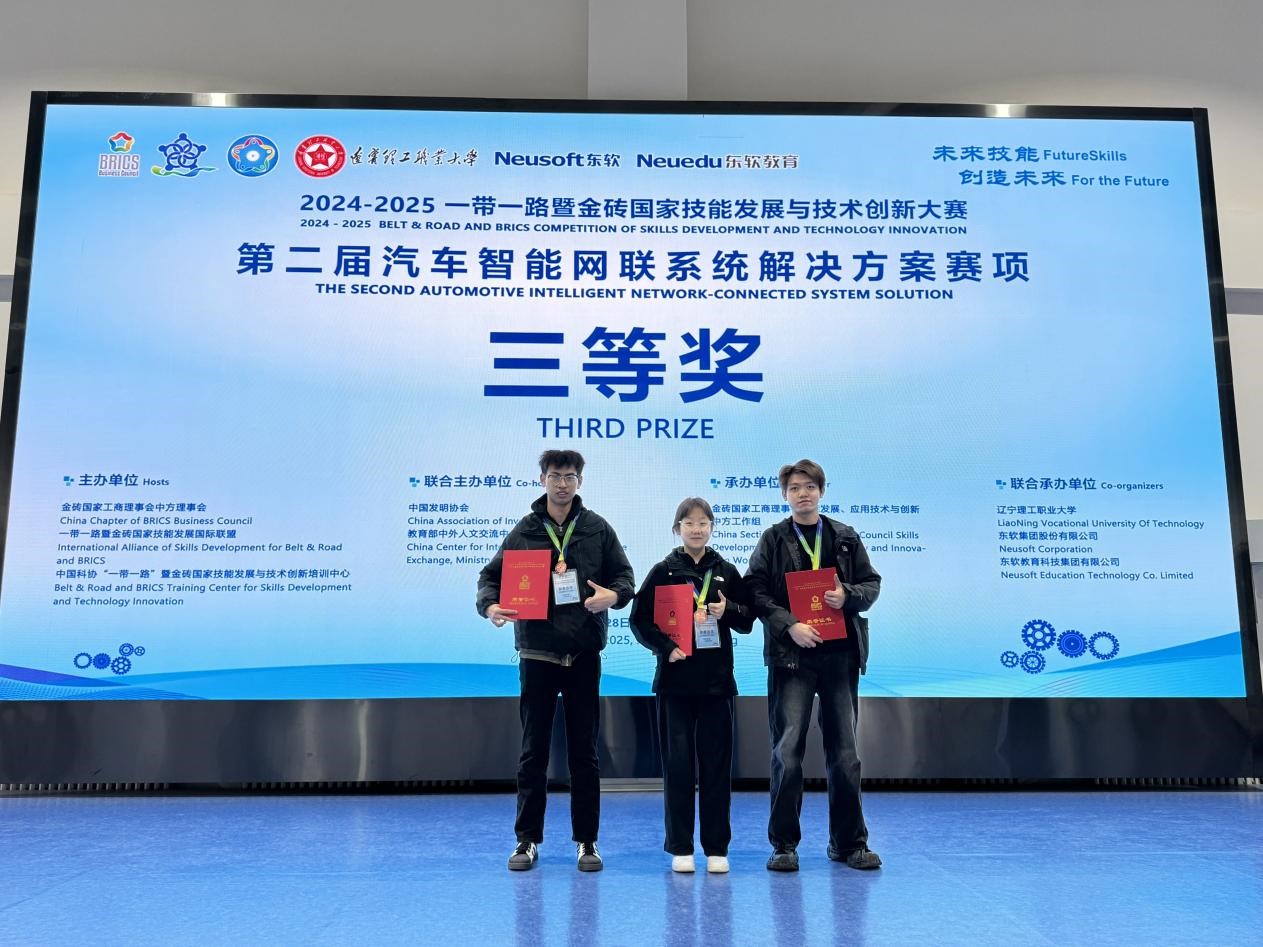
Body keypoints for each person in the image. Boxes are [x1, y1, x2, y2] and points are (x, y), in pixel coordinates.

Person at [477, 449, 635, 872]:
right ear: (542, 479)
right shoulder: (525, 530)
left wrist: (613, 596)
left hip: (583, 654)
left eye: (569, 476)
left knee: (585, 753)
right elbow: (490, 577)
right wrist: (490, 606)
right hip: (537, 653)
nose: (562, 483)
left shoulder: (597, 528)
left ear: (580, 481)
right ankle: (527, 840)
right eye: (554, 476)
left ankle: (587, 841)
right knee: (533, 751)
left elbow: (625, 578)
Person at [745, 459, 883, 872]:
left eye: (809, 486)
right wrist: (790, 625)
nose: (802, 494)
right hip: (793, 657)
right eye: (794, 488)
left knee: (845, 753)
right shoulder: (773, 538)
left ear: (821, 491)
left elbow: (872, 583)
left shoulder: (845, 536)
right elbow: (754, 589)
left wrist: (848, 595)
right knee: (787, 751)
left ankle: (849, 844)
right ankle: (784, 845)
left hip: (839, 655)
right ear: (784, 495)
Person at [630, 498, 754, 874]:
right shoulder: (663, 571)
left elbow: (748, 620)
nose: (696, 529)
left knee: (716, 769)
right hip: (675, 685)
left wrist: (728, 610)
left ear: (712, 528)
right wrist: (665, 648)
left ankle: (717, 848)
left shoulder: (725, 571)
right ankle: (681, 847)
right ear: (677, 529)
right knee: (678, 768)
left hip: (717, 685)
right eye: (689, 523)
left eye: (703, 523)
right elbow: (639, 621)